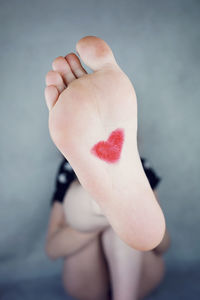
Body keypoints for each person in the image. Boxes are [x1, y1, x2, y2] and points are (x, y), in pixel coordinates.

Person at [44, 36, 170, 300]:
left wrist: (122, 225)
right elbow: (53, 248)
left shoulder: (141, 170)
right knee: (116, 221)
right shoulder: (68, 173)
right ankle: (100, 206)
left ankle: (99, 205)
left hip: (139, 274)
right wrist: (105, 221)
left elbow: (160, 242)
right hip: (90, 279)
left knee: (128, 228)